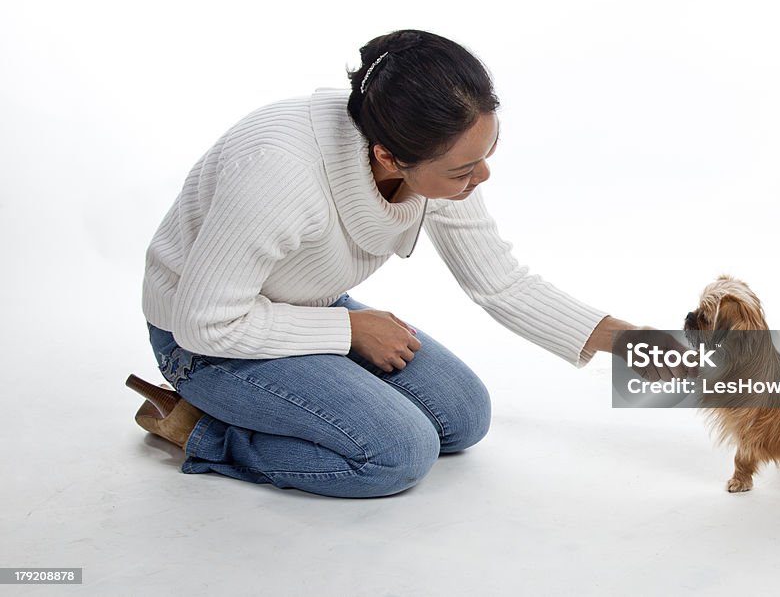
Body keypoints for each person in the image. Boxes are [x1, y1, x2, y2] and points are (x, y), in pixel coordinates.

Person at [126, 29, 643, 498]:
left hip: (303, 308)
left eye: (489, 152)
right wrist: (347, 329)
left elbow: (502, 283)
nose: (482, 175)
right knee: (397, 455)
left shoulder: (430, 148)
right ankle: (201, 429)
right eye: (463, 169)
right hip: (201, 341)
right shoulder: (278, 174)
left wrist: (657, 352)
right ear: (388, 156)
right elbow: (206, 323)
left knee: (464, 418)